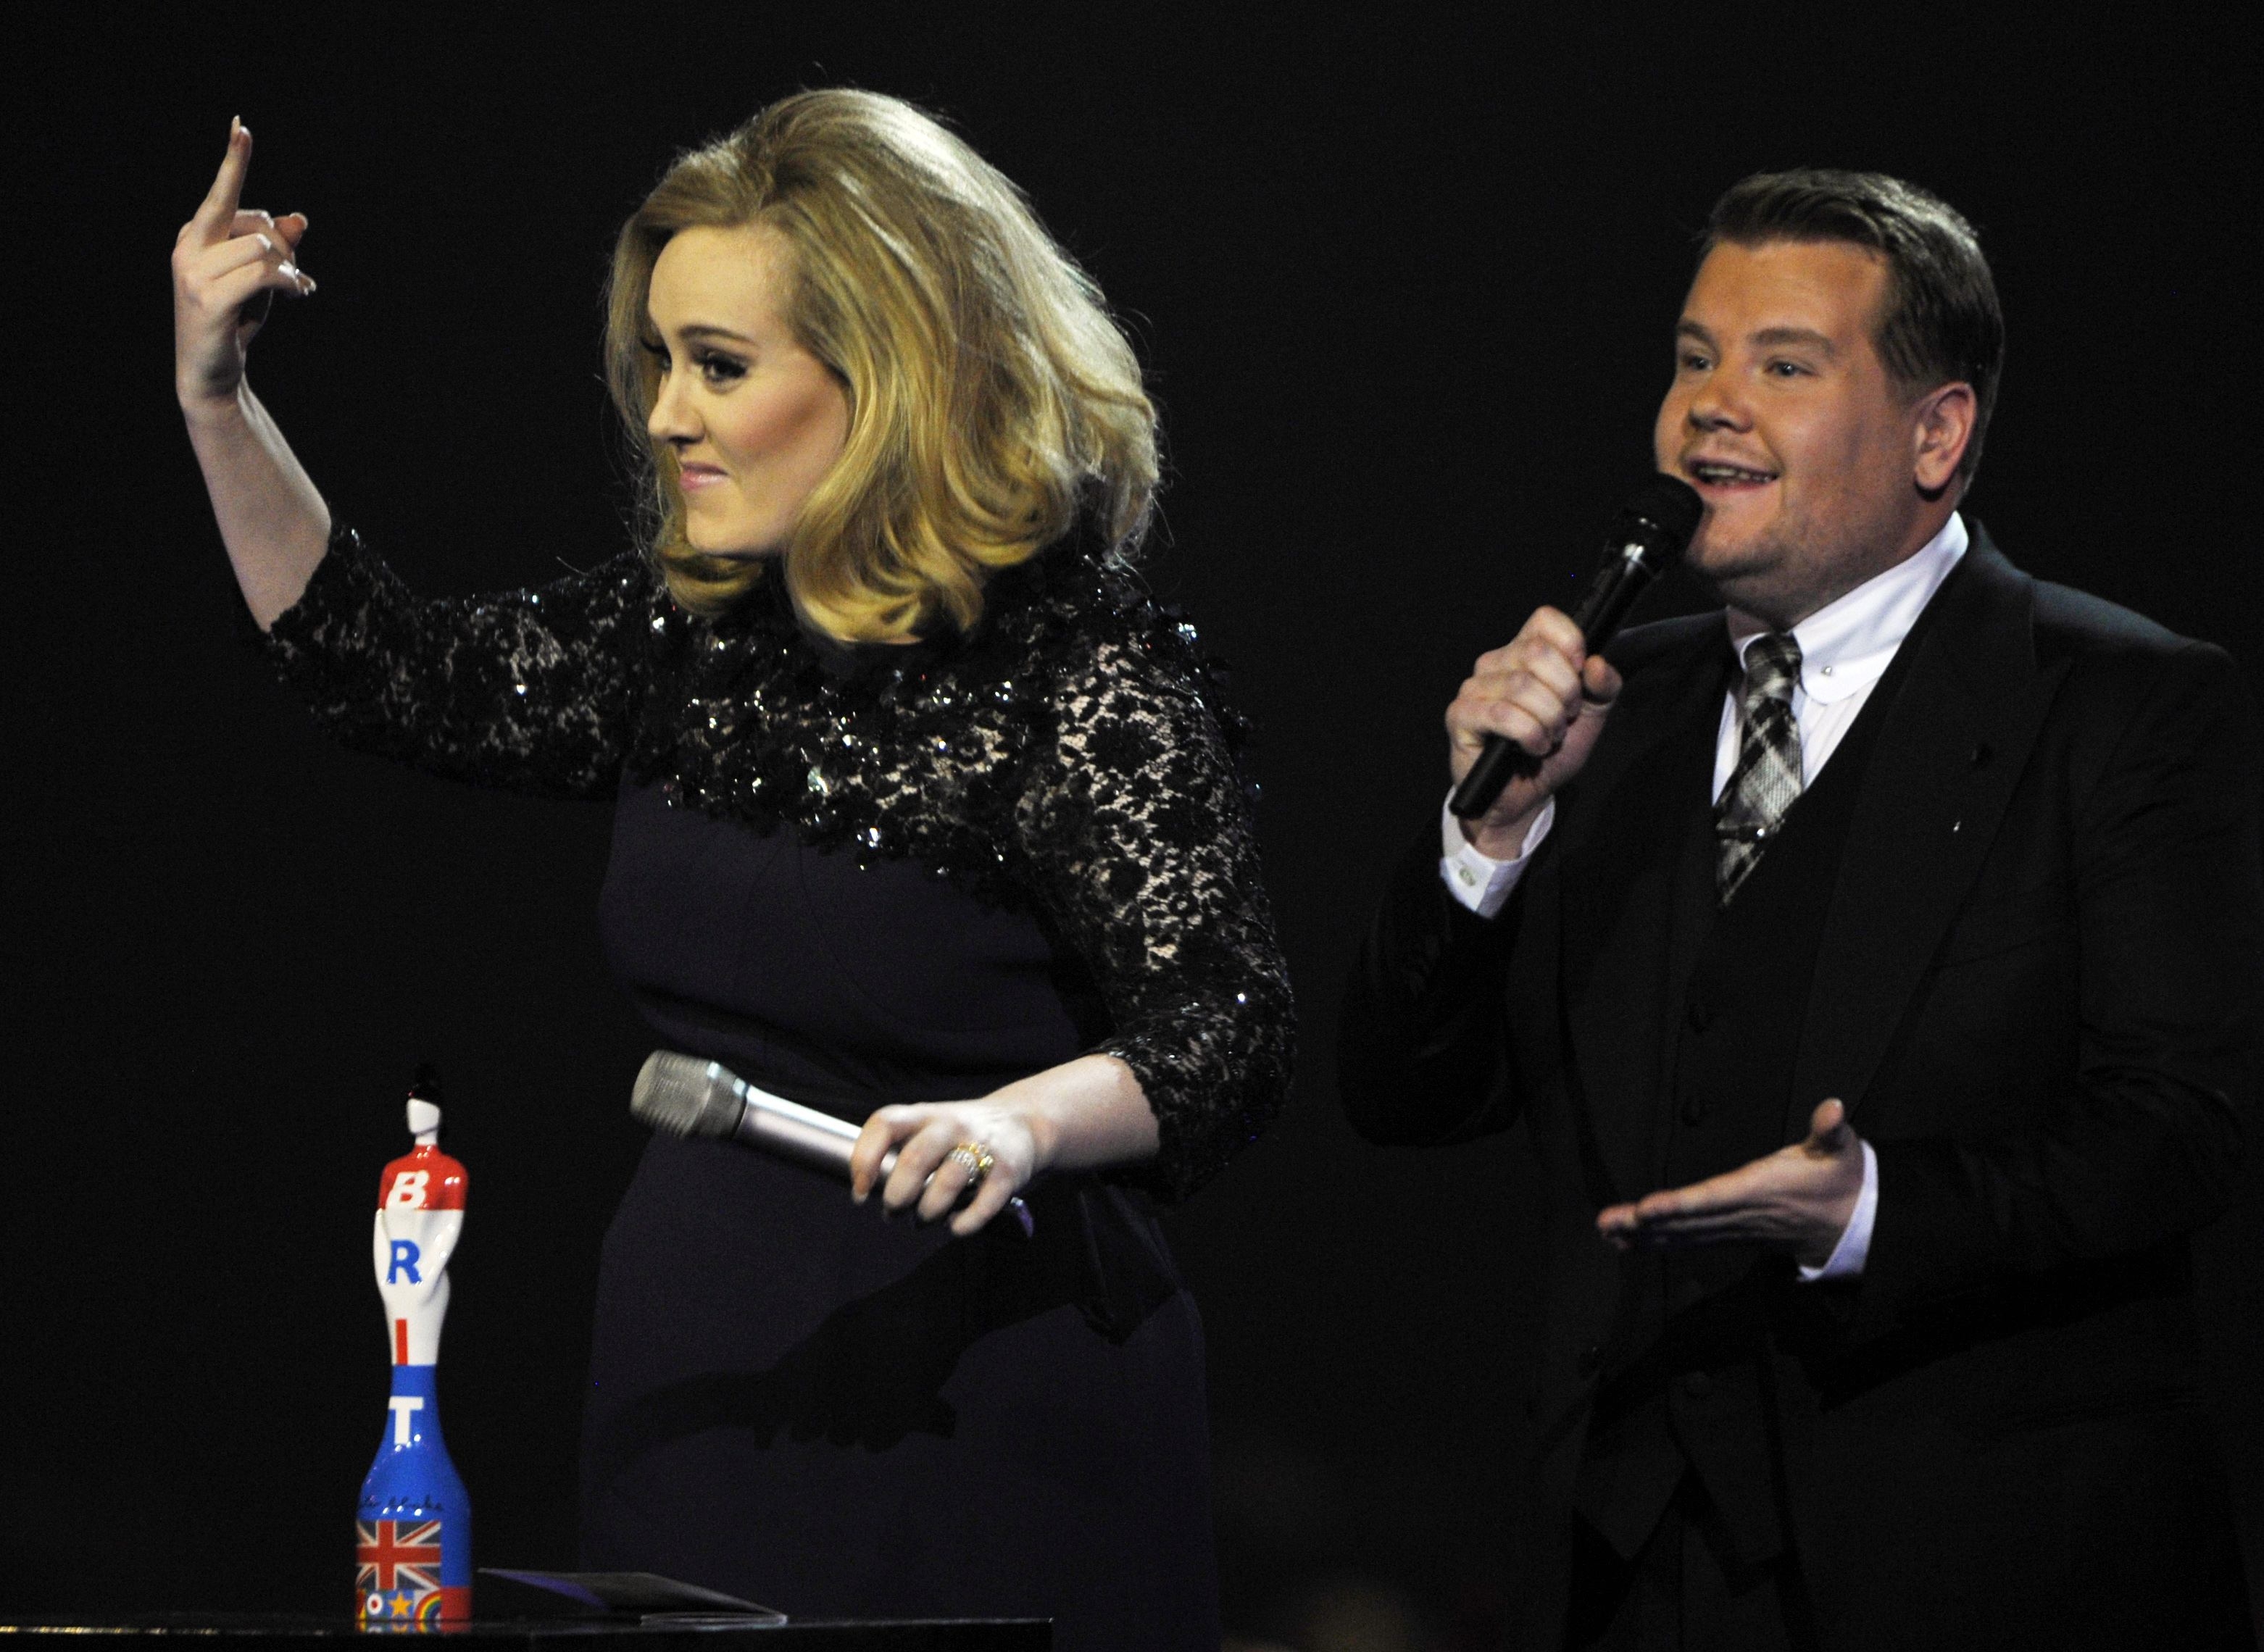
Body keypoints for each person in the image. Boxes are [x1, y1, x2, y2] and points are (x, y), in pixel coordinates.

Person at [172, 91, 1292, 1645]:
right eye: (659, 362)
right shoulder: (681, 636)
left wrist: (1020, 1124)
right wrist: (218, 398)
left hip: (983, 1393)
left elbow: (1224, 1025)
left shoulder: (1077, 674)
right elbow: (395, 671)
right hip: (697, 1379)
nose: (665, 415)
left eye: (719, 366)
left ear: (885, 373)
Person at [1338, 170, 2259, 1650]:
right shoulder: (1610, 717)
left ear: (1935, 433)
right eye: (1693, 358)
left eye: (1781, 365)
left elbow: (2175, 1132)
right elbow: (1401, 1094)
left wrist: (1871, 1209)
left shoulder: (2119, 704)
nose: (1710, 406)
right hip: (1628, 1564)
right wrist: (1486, 839)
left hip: (1977, 1569)